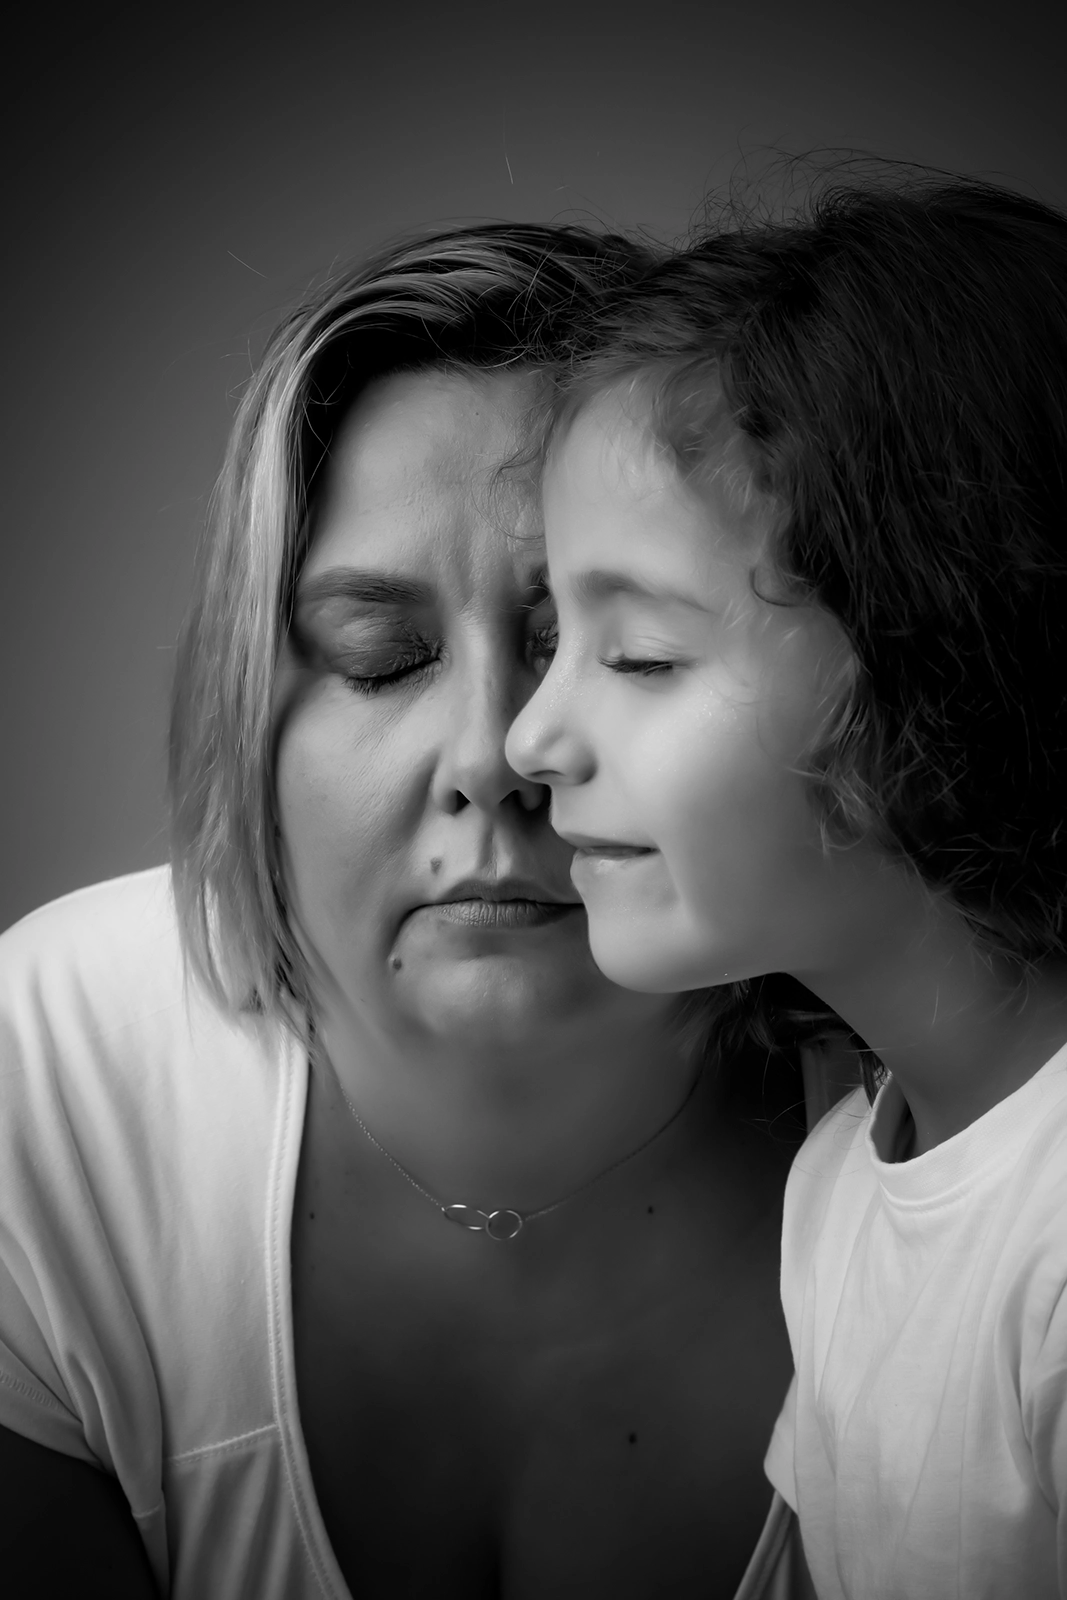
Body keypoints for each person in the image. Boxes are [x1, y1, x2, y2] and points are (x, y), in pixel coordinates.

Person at [0, 221, 813, 1599]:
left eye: (596, 646)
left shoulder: (939, 1101)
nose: (495, 754)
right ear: (247, 714)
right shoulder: (46, 1076)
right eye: (382, 660)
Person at [507, 169, 1067, 1597]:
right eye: (554, 640)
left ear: (944, 653)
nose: (528, 737)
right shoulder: (837, 1188)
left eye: (638, 656)